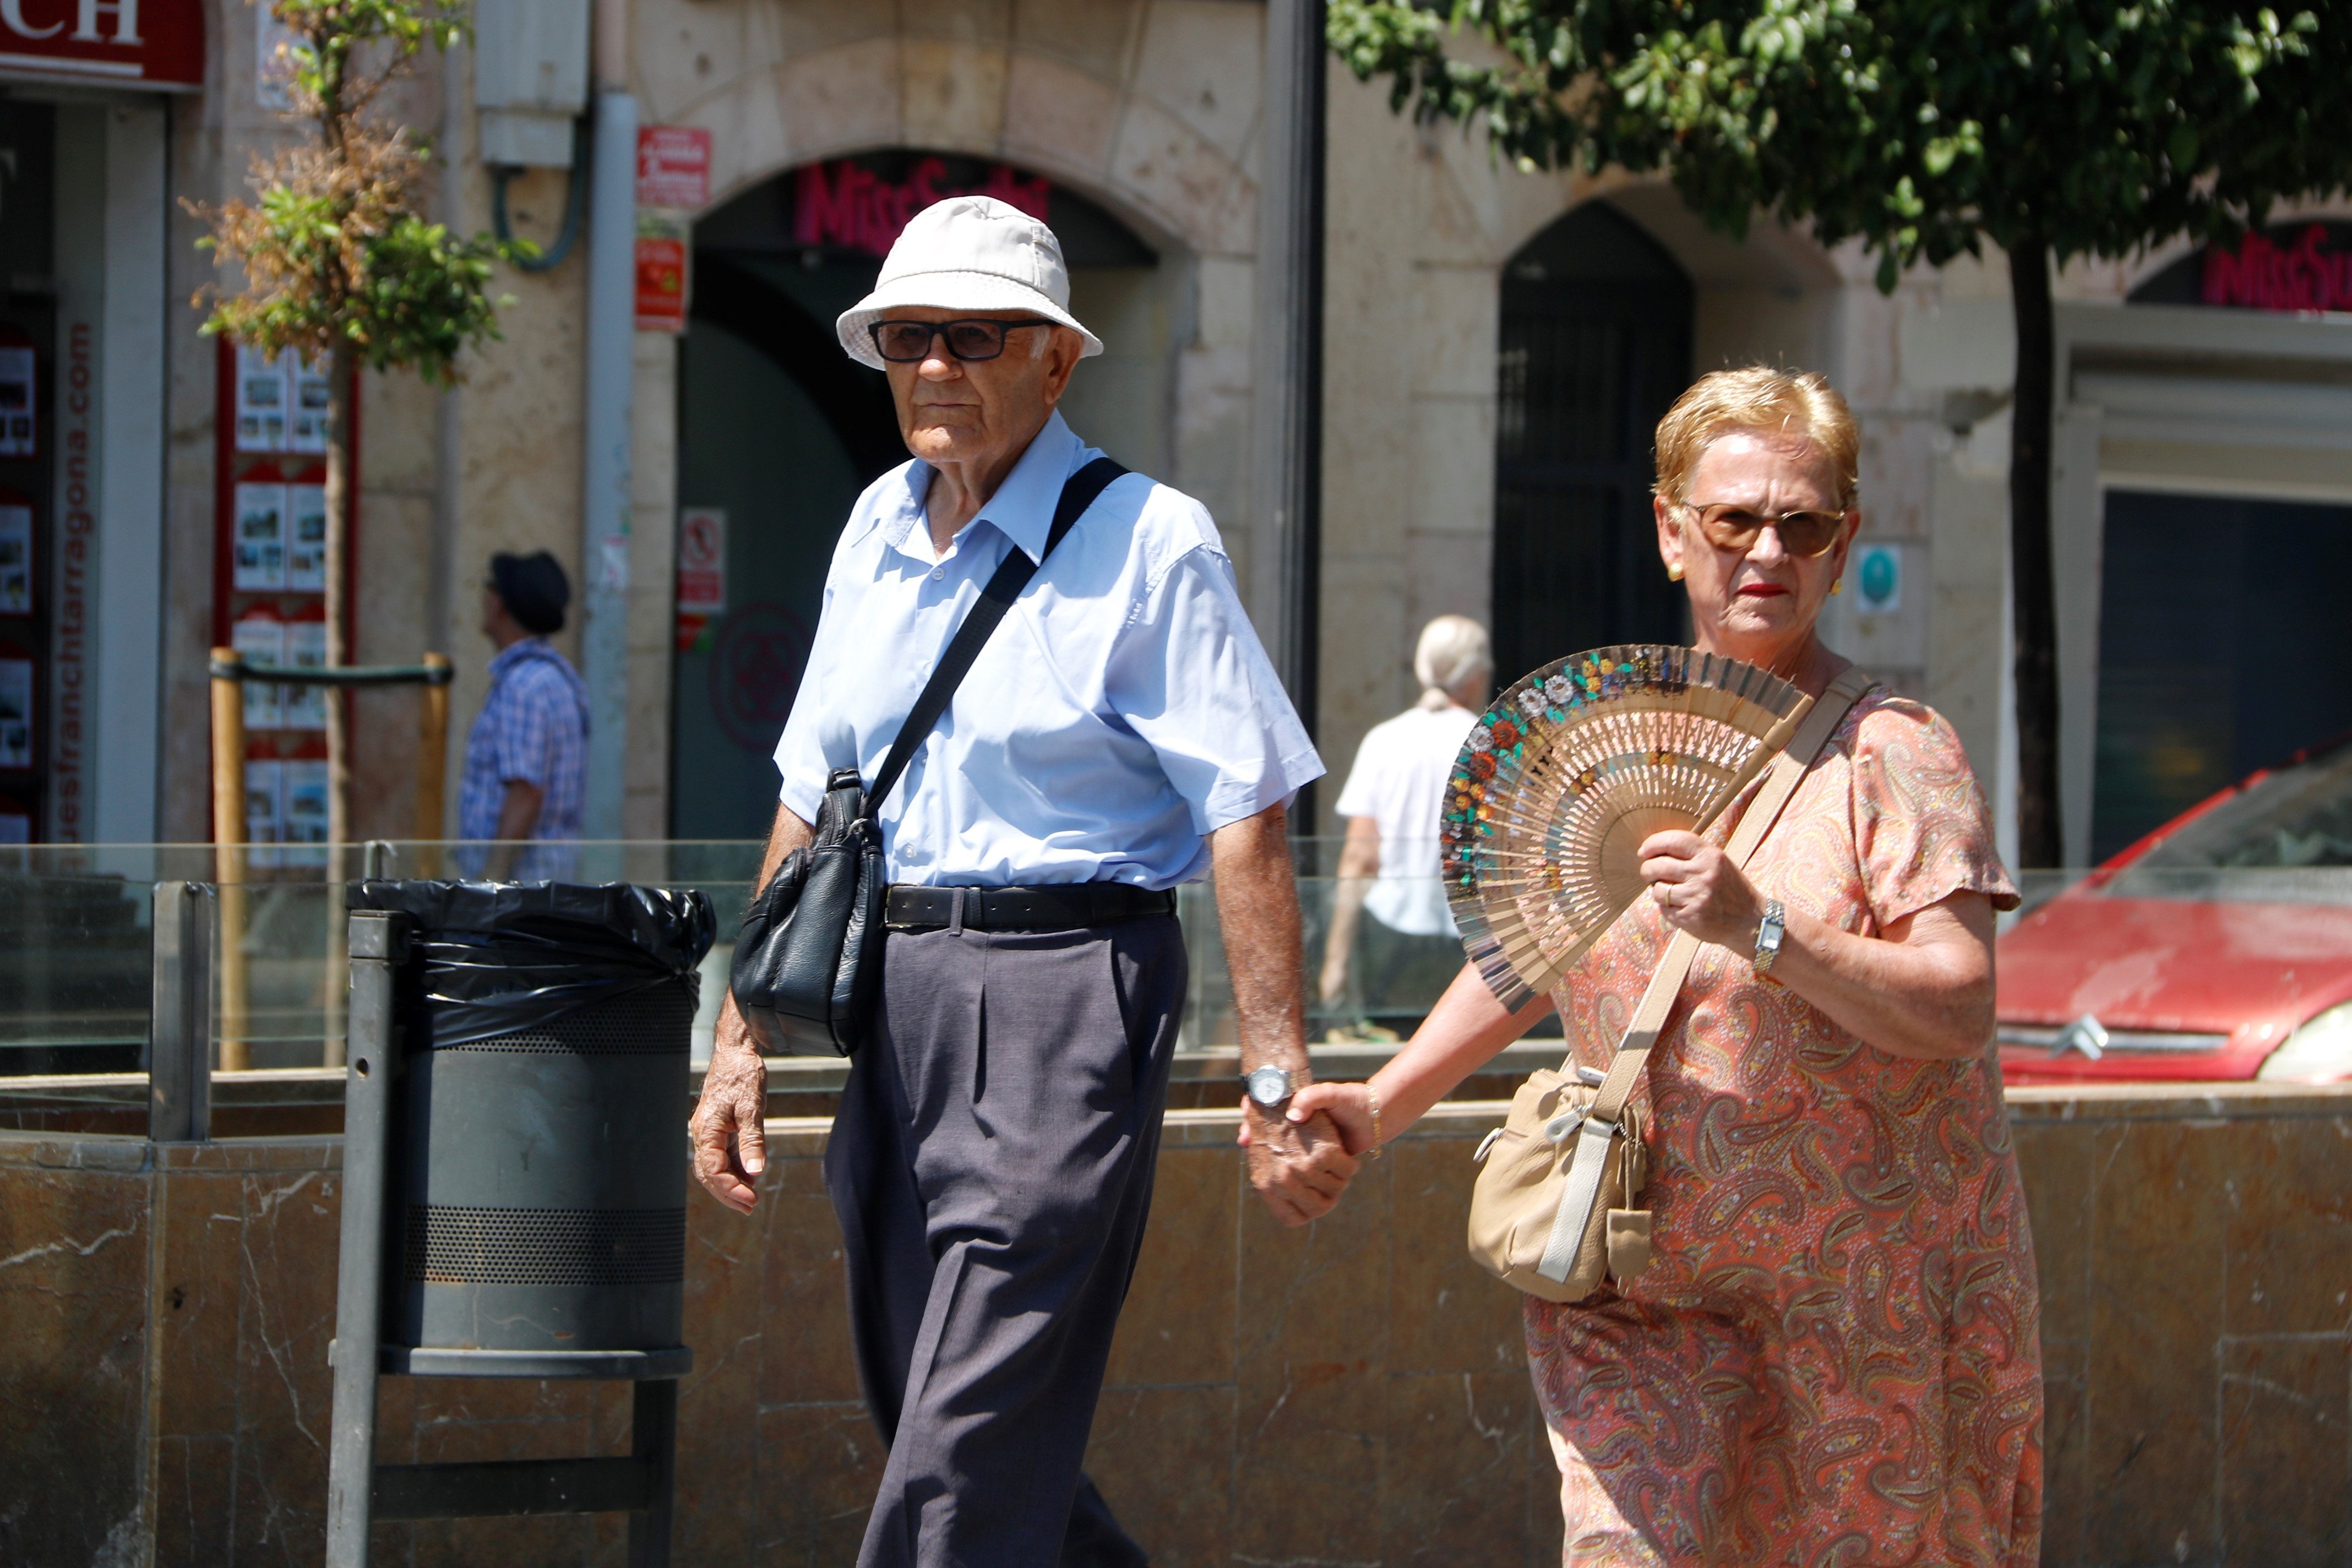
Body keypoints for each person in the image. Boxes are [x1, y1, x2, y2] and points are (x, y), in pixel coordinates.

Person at [686, 195, 1352, 1568]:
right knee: (926, 1397)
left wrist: (1275, 1073)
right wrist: (737, 1042)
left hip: (1069, 995)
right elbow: (810, 791)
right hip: (896, 995)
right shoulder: (874, 522)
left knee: (967, 1433)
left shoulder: (1152, 541)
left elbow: (1249, 809)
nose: (932, 365)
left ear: (1055, 359)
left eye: (972, 335)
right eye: (906, 337)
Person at [1285, 368, 2043, 1565]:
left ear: (1843, 546)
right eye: (1734, 518)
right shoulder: (1603, 741)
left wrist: (1767, 930)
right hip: (1638, 1288)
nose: (1767, 549)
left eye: (1803, 523)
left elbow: (1959, 1002)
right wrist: (1378, 1104)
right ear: (1670, 528)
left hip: (1855, 1306)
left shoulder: (1894, 751)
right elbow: (1526, 957)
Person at [1317, 614, 1491, 1036]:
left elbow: (1360, 857)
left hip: (1388, 936)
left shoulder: (1384, 740)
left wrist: (1335, 961)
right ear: (1474, 677)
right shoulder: (1488, 743)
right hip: (1469, 940)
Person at [458, 549, 587, 881]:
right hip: (543, 883)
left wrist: (491, 879)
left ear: (499, 604)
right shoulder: (552, 678)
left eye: (488, 587)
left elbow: (526, 789)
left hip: (520, 891)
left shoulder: (524, 685)